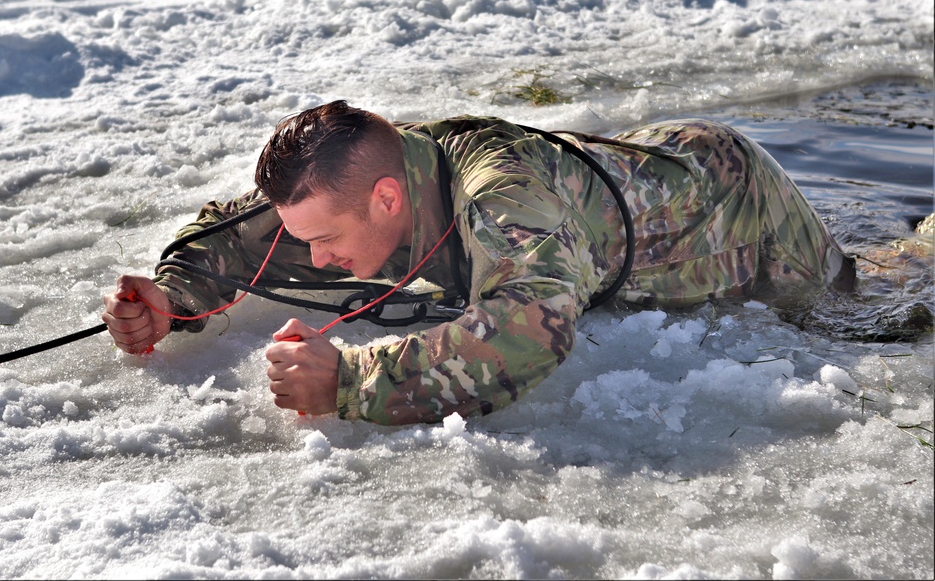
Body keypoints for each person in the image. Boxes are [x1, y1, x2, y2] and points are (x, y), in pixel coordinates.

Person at [101, 101, 856, 425]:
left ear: (389, 198)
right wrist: (169, 298)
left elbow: (532, 327)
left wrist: (354, 381)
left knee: (869, 297)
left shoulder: (502, 198)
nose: (313, 256)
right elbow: (243, 232)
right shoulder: (353, 185)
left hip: (728, 204)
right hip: (618, 179)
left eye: (325, 238)